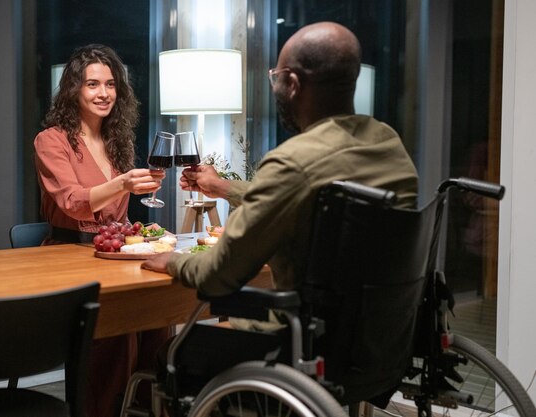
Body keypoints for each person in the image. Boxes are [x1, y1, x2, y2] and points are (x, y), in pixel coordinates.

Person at [142, 21, 419, 299]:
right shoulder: (388, 143)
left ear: (294, 84)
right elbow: (300, 197)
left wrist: (173, 261)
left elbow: (218, 276)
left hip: (302, 335)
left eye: (276, 78)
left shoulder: (293, 161)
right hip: (383, 335)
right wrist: (222, 187)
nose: (275, 88)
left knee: (170, 346)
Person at [34, 44, 170, 417]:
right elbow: (73, 201)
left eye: (110, 84)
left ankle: (148, 408)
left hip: (114, 254)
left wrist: (138, 190)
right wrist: (124, 184)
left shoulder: (117, 140)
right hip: (68, 258)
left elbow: (118, 212)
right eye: (92, 84)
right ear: (74, 89)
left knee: (159, 318)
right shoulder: (52, 140)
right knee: (121, 326)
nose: (103, 93)